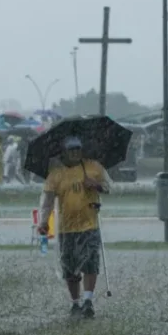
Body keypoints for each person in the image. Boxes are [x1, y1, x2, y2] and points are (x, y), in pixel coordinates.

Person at [37, 136, 111, 318]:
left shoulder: (93, 167)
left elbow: (108, 187)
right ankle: (75, 302)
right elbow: (47, 201)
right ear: (64, 152)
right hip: (67, 228)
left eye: (78, 149)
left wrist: (96, 185)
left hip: (89, 224)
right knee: (69, 268)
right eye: (71, 150)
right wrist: (44, 221)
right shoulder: (56, 174)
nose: (75, 153)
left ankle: (88, 300)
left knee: (90, 263)